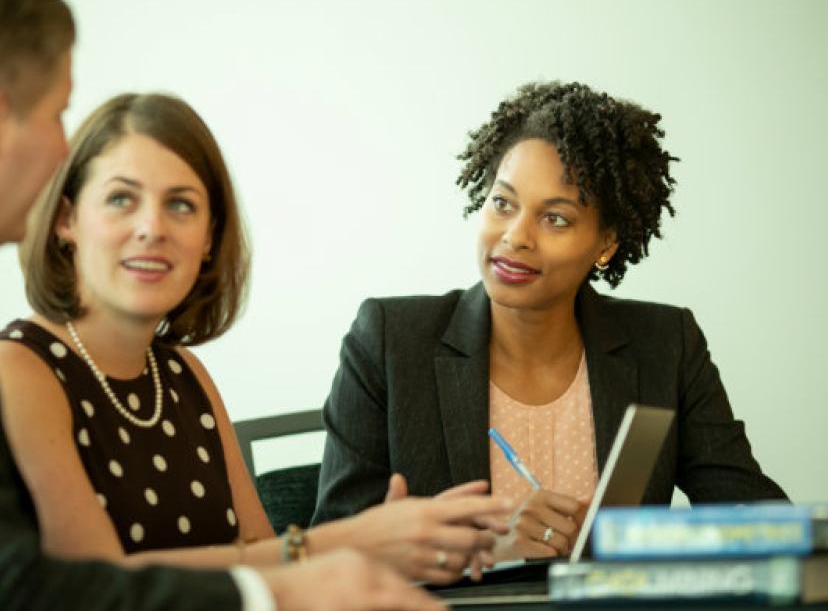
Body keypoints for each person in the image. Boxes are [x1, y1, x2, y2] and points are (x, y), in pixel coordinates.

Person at [0, 0, 447, 609]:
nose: (59, 150)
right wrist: (303, 576)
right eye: (56, 113)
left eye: (181, 204)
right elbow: (0, 590)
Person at [0, 92, 510, 586]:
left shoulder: (181, 373)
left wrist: (391, 546)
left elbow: (266, 564)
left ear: (210, 238)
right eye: (121, 198)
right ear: (65, 219)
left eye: (182, 205)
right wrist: (349, 542)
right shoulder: (18, 370)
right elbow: (105, 589)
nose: (152, 227)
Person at [311, 80, 788, 561]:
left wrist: (628, 541)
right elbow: (328, 551)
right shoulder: (389, 341)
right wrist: (490, 548)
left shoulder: (665, 345)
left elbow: (758, 518)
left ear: (605, 244)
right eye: (503, 203)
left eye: (555, 218)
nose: (516, 236)